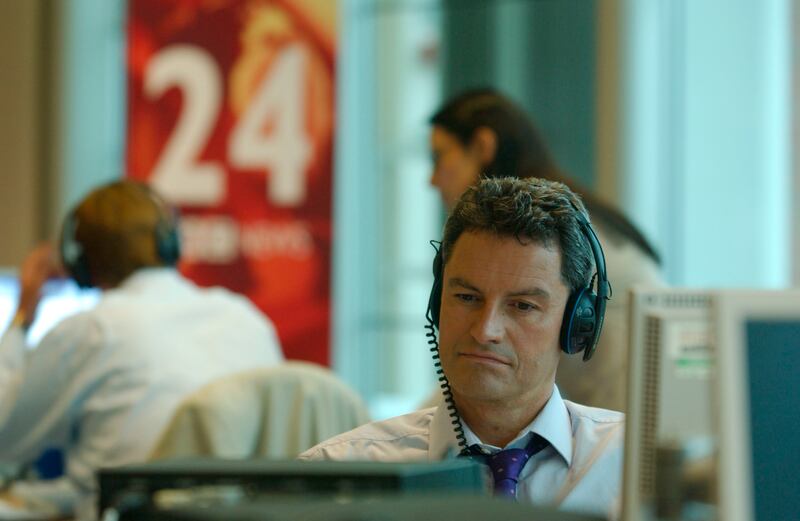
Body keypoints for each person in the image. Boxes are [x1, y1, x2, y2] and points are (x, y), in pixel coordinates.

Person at [300, 178, 624, 518]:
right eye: (467, 298)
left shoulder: (632, 469)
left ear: (577, 323)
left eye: (523, 306)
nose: (486, 331)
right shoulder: (340, 483)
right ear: (437, 302)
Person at [0, 180, 284, 519]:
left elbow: (6, 436)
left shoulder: (93, 330)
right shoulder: (248, 319)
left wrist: (23, 316)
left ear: (82, 262)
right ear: (169, 243)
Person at [428, 88, 663, 411]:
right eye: (467, 297)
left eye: (439, 157)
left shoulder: (548, 246)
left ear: (483, 146)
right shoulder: (576, 228)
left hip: (625, 440)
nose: (432, 179)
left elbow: (486, 373)